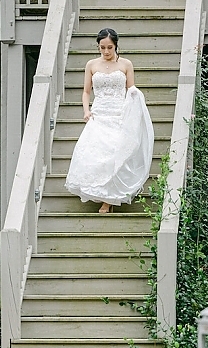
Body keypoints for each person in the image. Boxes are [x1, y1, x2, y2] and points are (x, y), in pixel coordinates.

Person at [65, 28, 154, 213]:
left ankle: (109, 201)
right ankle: (102, 194)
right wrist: (86, 110)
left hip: (118, 114)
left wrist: (136, 100)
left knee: (116, 154)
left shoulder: (126, 64)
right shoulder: (91, 65)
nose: (106, 52)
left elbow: (131, 89)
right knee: (97, 154)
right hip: (99, 114)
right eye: (102, 47)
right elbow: (86, 92)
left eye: (110, 47)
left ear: (116, 46)